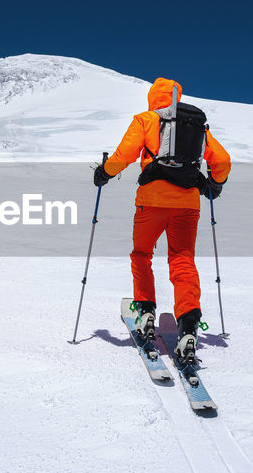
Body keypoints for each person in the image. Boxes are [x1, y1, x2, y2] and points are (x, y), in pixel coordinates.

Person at [93, 78, 230, 366]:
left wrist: (104, 172)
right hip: (188, 205)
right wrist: (214, 184)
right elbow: (223, 160)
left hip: (151, 202)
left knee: (142, 255)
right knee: (182, 260)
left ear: (152, 97)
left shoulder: (146, 120)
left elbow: (124, 155)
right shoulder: (196, 125)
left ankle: (145, 313)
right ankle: (189, 326)